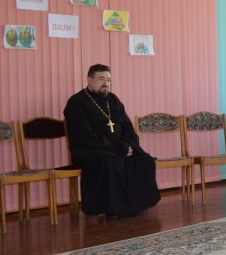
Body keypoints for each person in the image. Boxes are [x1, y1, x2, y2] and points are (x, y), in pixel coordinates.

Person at [63, 64, 160, 217]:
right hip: (90, 150)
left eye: (108, 80)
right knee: (111, 163)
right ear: (89, 80)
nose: (106, 83)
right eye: (101, 79)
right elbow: (85, 136)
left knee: (144, 160)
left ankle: (136, 205)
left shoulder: (113, 100)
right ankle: (113, 209)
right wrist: (117, 149)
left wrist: (129, 146)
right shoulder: (77, 103)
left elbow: (127, 126)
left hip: (118, 148)